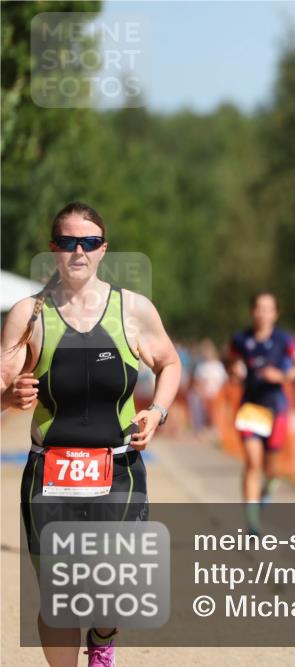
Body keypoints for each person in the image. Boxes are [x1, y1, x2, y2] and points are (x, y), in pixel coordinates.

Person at [0, 201, 181, 667]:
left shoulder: (133, 309)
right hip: (50, 471)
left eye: (88, 242)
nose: (77, 251)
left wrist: (156, 412)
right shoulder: (28, 314)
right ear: (53, 248)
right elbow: (0, 388)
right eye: (67, 242)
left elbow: (170, 363)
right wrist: (9, 399)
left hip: (117, 466)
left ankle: (102, 640)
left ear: (103, 249)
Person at [227, 292, 295, 534]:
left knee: (271, 468)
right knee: (252, 462)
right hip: (251, 407)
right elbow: (228, 359)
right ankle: (252, 521)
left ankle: (270, 485)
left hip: (277, 408)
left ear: (275, 314)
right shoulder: (241, 339)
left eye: (268, 309)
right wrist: (233, 369)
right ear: (252, 311)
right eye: (259, 308)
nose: (263, 313)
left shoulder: (285, 340)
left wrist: (283, 376)